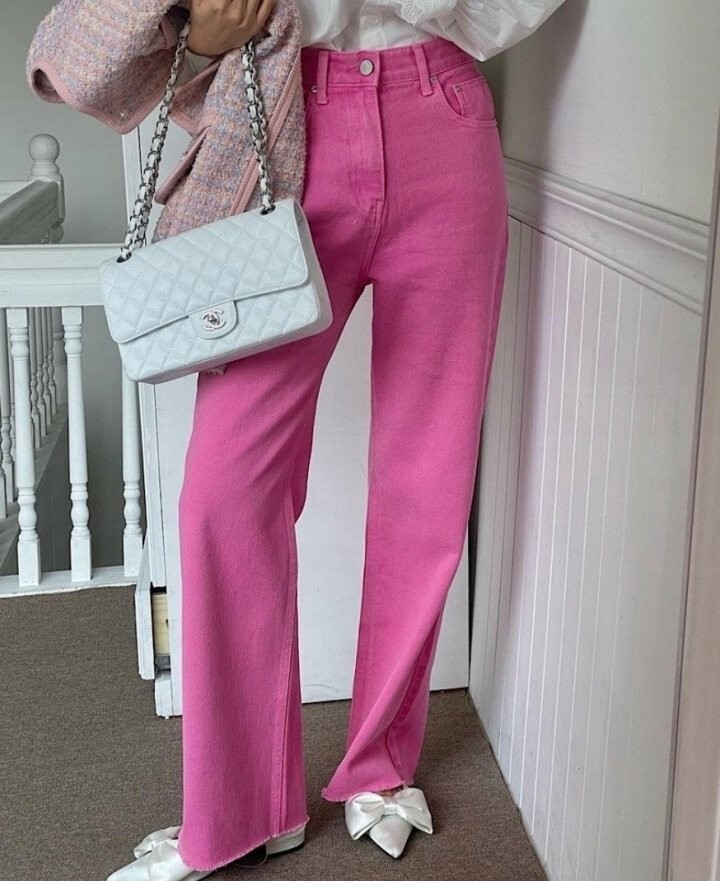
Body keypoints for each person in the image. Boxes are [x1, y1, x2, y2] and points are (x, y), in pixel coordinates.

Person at [104, 0, 567, 878]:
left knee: (426, 477)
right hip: (285, 121)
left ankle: (380, 765)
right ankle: (242, 808)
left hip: (442, 113)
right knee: (224, 489)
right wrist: (203, 34)